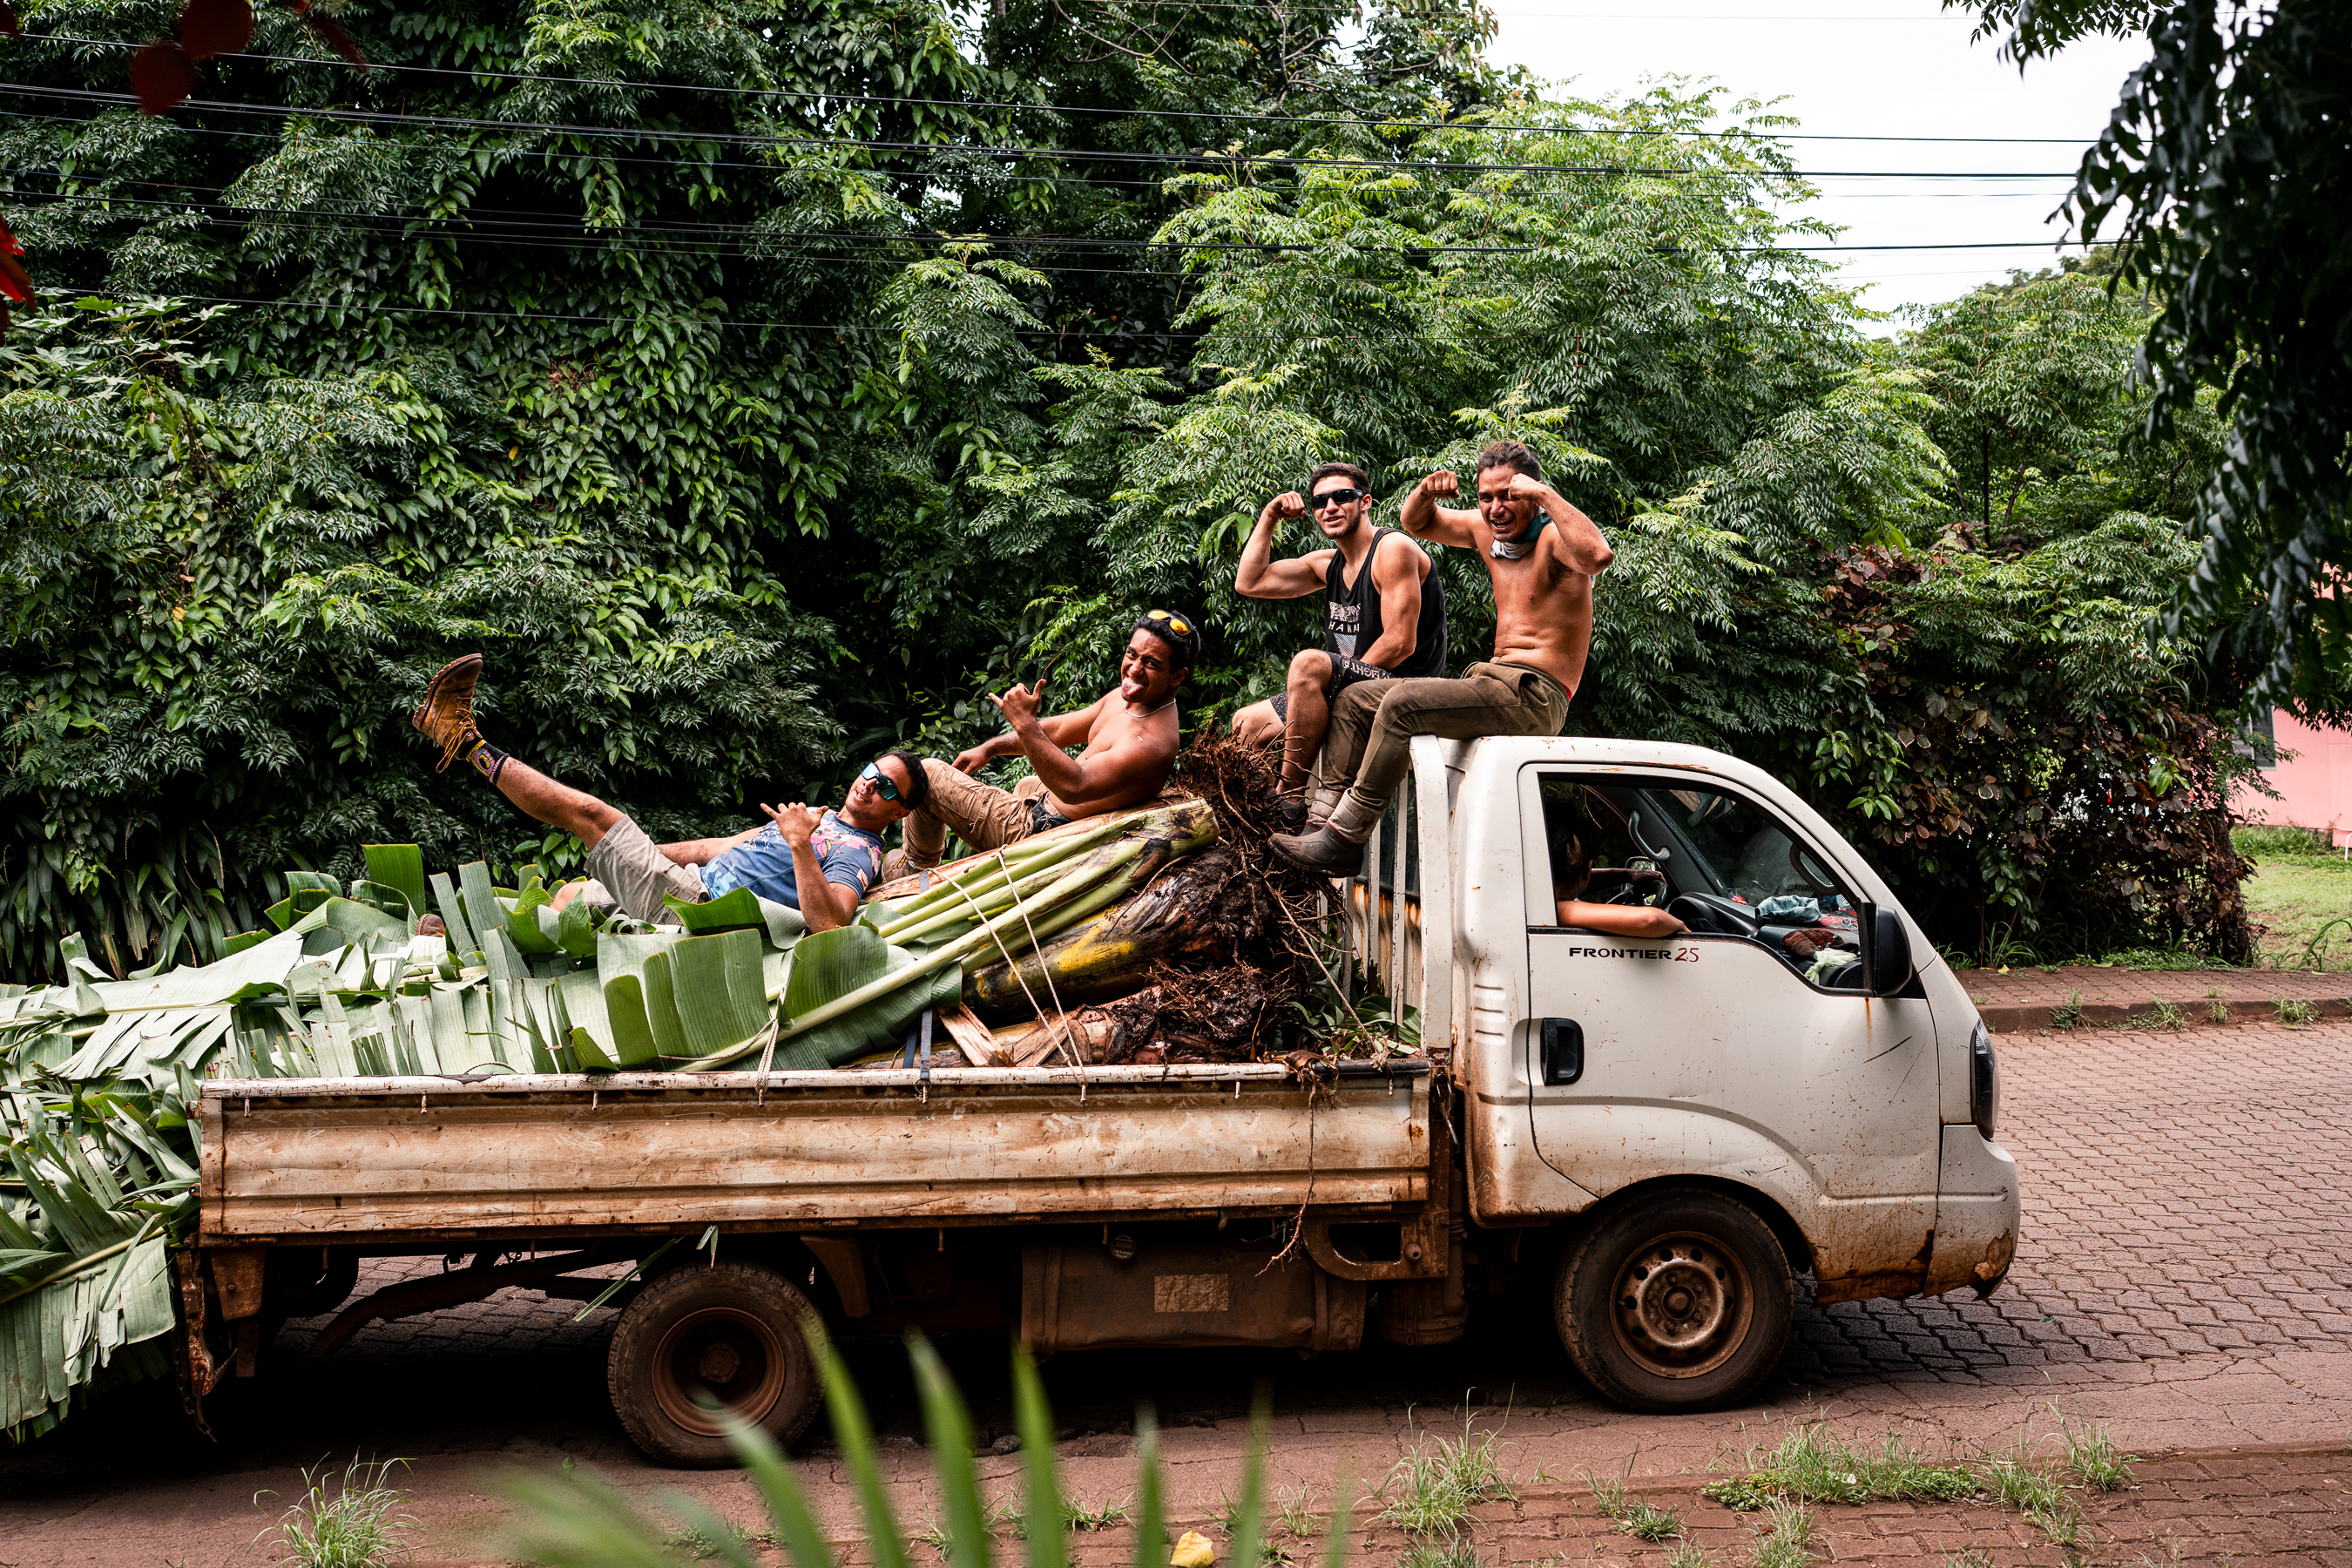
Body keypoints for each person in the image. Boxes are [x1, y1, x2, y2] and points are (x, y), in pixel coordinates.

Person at [1271, 439, 1612, 873]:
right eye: (1485, 497)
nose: (1496, 508)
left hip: (1535, 695)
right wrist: (1426, 491)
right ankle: (1317, 825)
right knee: (1358, 698)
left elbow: (1597, 556)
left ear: (1529, 492)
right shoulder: (1486, 532)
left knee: (1401, 704)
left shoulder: (1553, 542)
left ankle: (1346, 837)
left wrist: (1545, 494)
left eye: (1508, 494)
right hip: (1491, 682)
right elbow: (1416, 521)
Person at [407, 653, 922, 930]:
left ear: (898, 813)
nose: (868, 785)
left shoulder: (857, 851)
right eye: (870, 771)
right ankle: (455, 931)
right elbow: (718, 848)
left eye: (885, 788)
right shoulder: (818, 818)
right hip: (689, 880)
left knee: (591, 816)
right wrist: (644, 857)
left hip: (698, 909)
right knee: (567, 898)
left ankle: (461, 737)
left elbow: (830, 922)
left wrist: (799, 844)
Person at [889, 610, 1197, 877]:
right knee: (1025, 784)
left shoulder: (1151, 742)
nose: (1134, 669)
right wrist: (991, 747)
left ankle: (914, 871)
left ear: (1177, 676)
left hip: (1046, 832)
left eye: (1151, 664)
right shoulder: (1129, 697)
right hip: (1049, 805)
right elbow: (1061, 729)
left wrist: (1023, 722)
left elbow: (1075, 786)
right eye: (1132, 654)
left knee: (927, 773)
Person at [1229, 463, 1447, 831]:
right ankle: (1265, 830)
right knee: (1246, 725)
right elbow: (1250, 582)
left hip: (1402, 687)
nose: (1330, 506)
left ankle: (1290, 798)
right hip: (1353, 680)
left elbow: (1399, 643)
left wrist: (1333, 686)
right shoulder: (1328, 564)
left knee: (1309, 664)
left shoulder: (1392, 548)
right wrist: (1268, 517)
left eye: (1342, 497)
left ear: (1365, 502)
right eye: (1319, 501)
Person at [1551, 827, 1686, 939]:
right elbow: (1650, 920)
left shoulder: (1546, 901)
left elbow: (1580, 881)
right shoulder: (1560, 909)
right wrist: (1682, 926)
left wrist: (1628, 875)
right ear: (1588, 868)